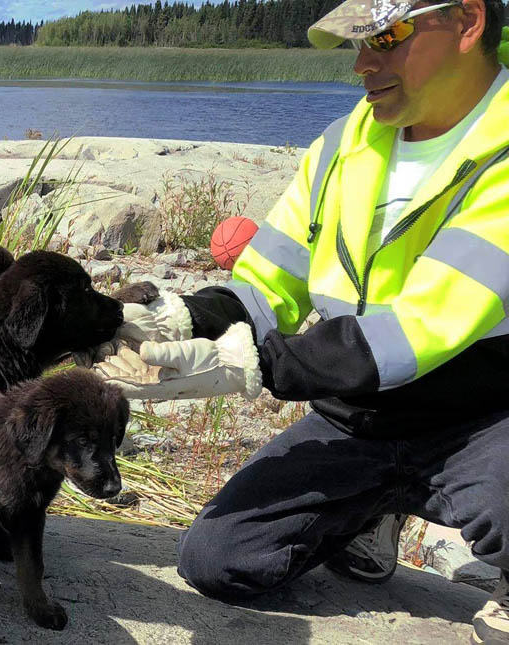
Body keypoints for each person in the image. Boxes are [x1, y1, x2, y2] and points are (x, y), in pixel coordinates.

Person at [94, 0, 509, 641]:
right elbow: (267, 285)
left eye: (386, 37)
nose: (364, 64)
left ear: (468, 21)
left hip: (482, 419)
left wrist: (256, 365)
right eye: (357, 44)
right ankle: (372, 509)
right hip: (358, 414)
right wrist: (181, 318)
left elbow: (421, 329)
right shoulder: (346, 144)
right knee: (219, 561)